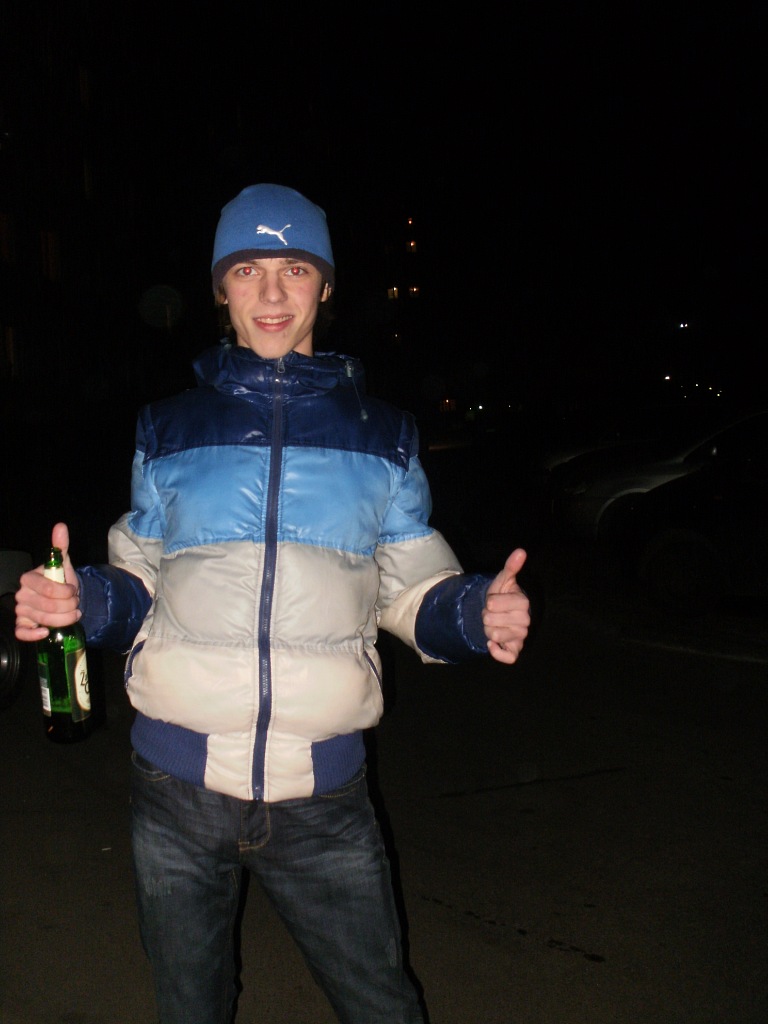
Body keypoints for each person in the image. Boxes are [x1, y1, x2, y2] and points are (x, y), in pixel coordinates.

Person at [15, 183, 530, 1024]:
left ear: (326, 286)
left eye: (295, 268)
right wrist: (80, 600)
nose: (272, 293)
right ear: (220, 289)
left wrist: (473, 614)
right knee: (191, 1006)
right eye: (248, 269)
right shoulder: (166, 429)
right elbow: (139, 581)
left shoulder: (384, 435)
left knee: (382, 1005)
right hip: (175, 792)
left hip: (324, 798)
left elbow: (411, 585)